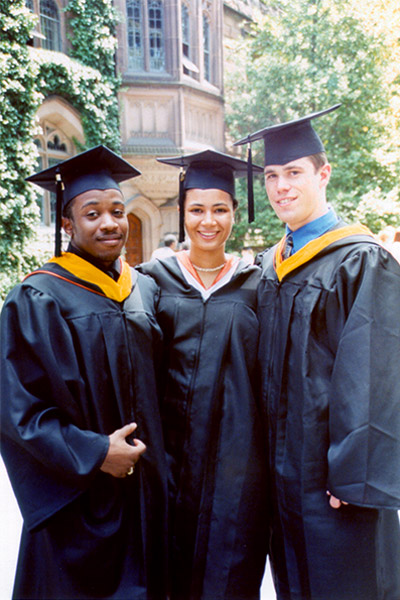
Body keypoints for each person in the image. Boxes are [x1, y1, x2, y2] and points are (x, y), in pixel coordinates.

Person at [235, 106, 400, 599]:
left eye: (294, 173)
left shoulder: (360, 260)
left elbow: (374, 373)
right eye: (271, 176)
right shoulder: (269, 266)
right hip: (282, 479)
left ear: (323, 174)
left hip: (335, 486)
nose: (281, 187)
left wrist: (354, 475)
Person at [0, 145, 167, 600]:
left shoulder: (143, 289)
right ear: (67, 225)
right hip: (80, 506)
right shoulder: (37, 298)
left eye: (117, 210)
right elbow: (19, 413)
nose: (109, 223)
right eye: (92, 214)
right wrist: (96, 453)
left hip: (145, 499)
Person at [138, 150, 268, 600]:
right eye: (197, 209)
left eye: (220, 209)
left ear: (235, 213)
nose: (207, 221)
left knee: (228, 577)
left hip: (238, 466)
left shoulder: (261, 284)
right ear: (182, 212)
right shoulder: (150, 281)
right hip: (166, 462)